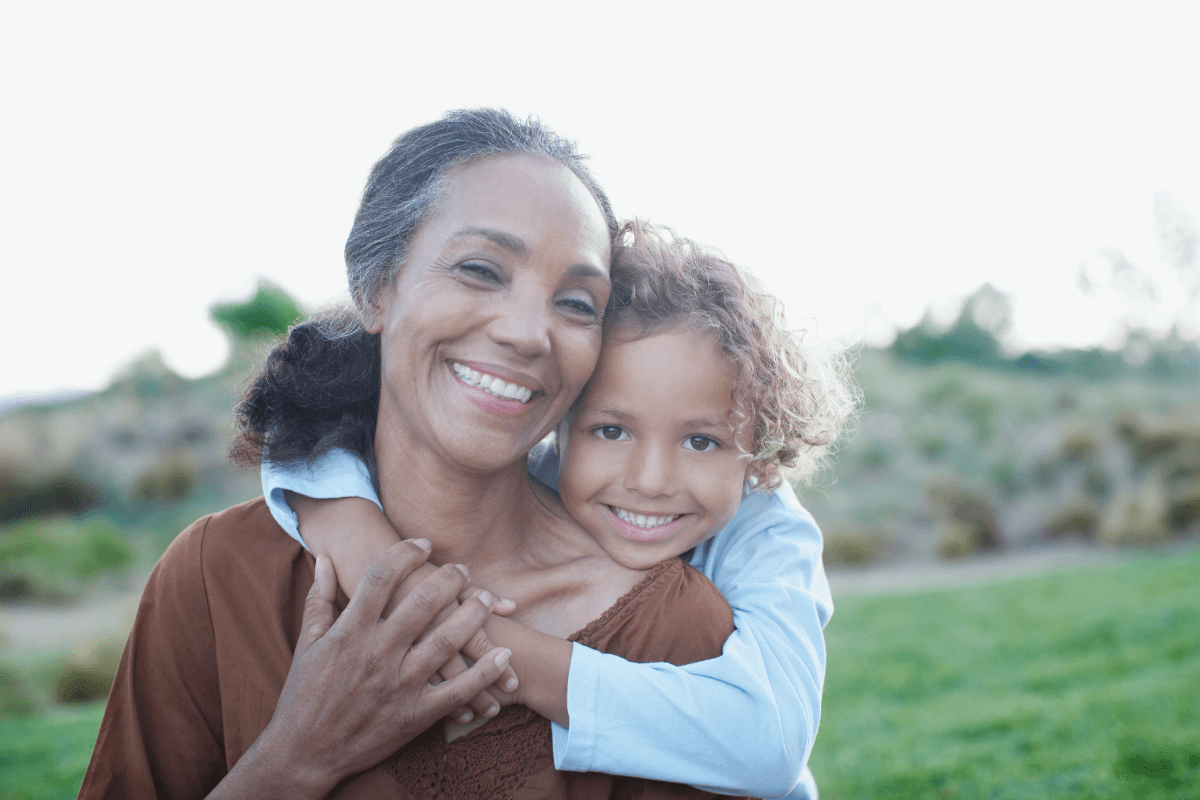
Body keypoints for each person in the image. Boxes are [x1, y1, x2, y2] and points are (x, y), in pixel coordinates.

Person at [263, 224, 855, 798]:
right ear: (558, 417)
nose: (649, 482)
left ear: (761, 453)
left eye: (701, 441)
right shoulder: (540, 471)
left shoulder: (769, 530)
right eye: (611, 430)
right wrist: (345, 522)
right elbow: (303, 429)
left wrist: (478, 643)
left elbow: (769, 744)